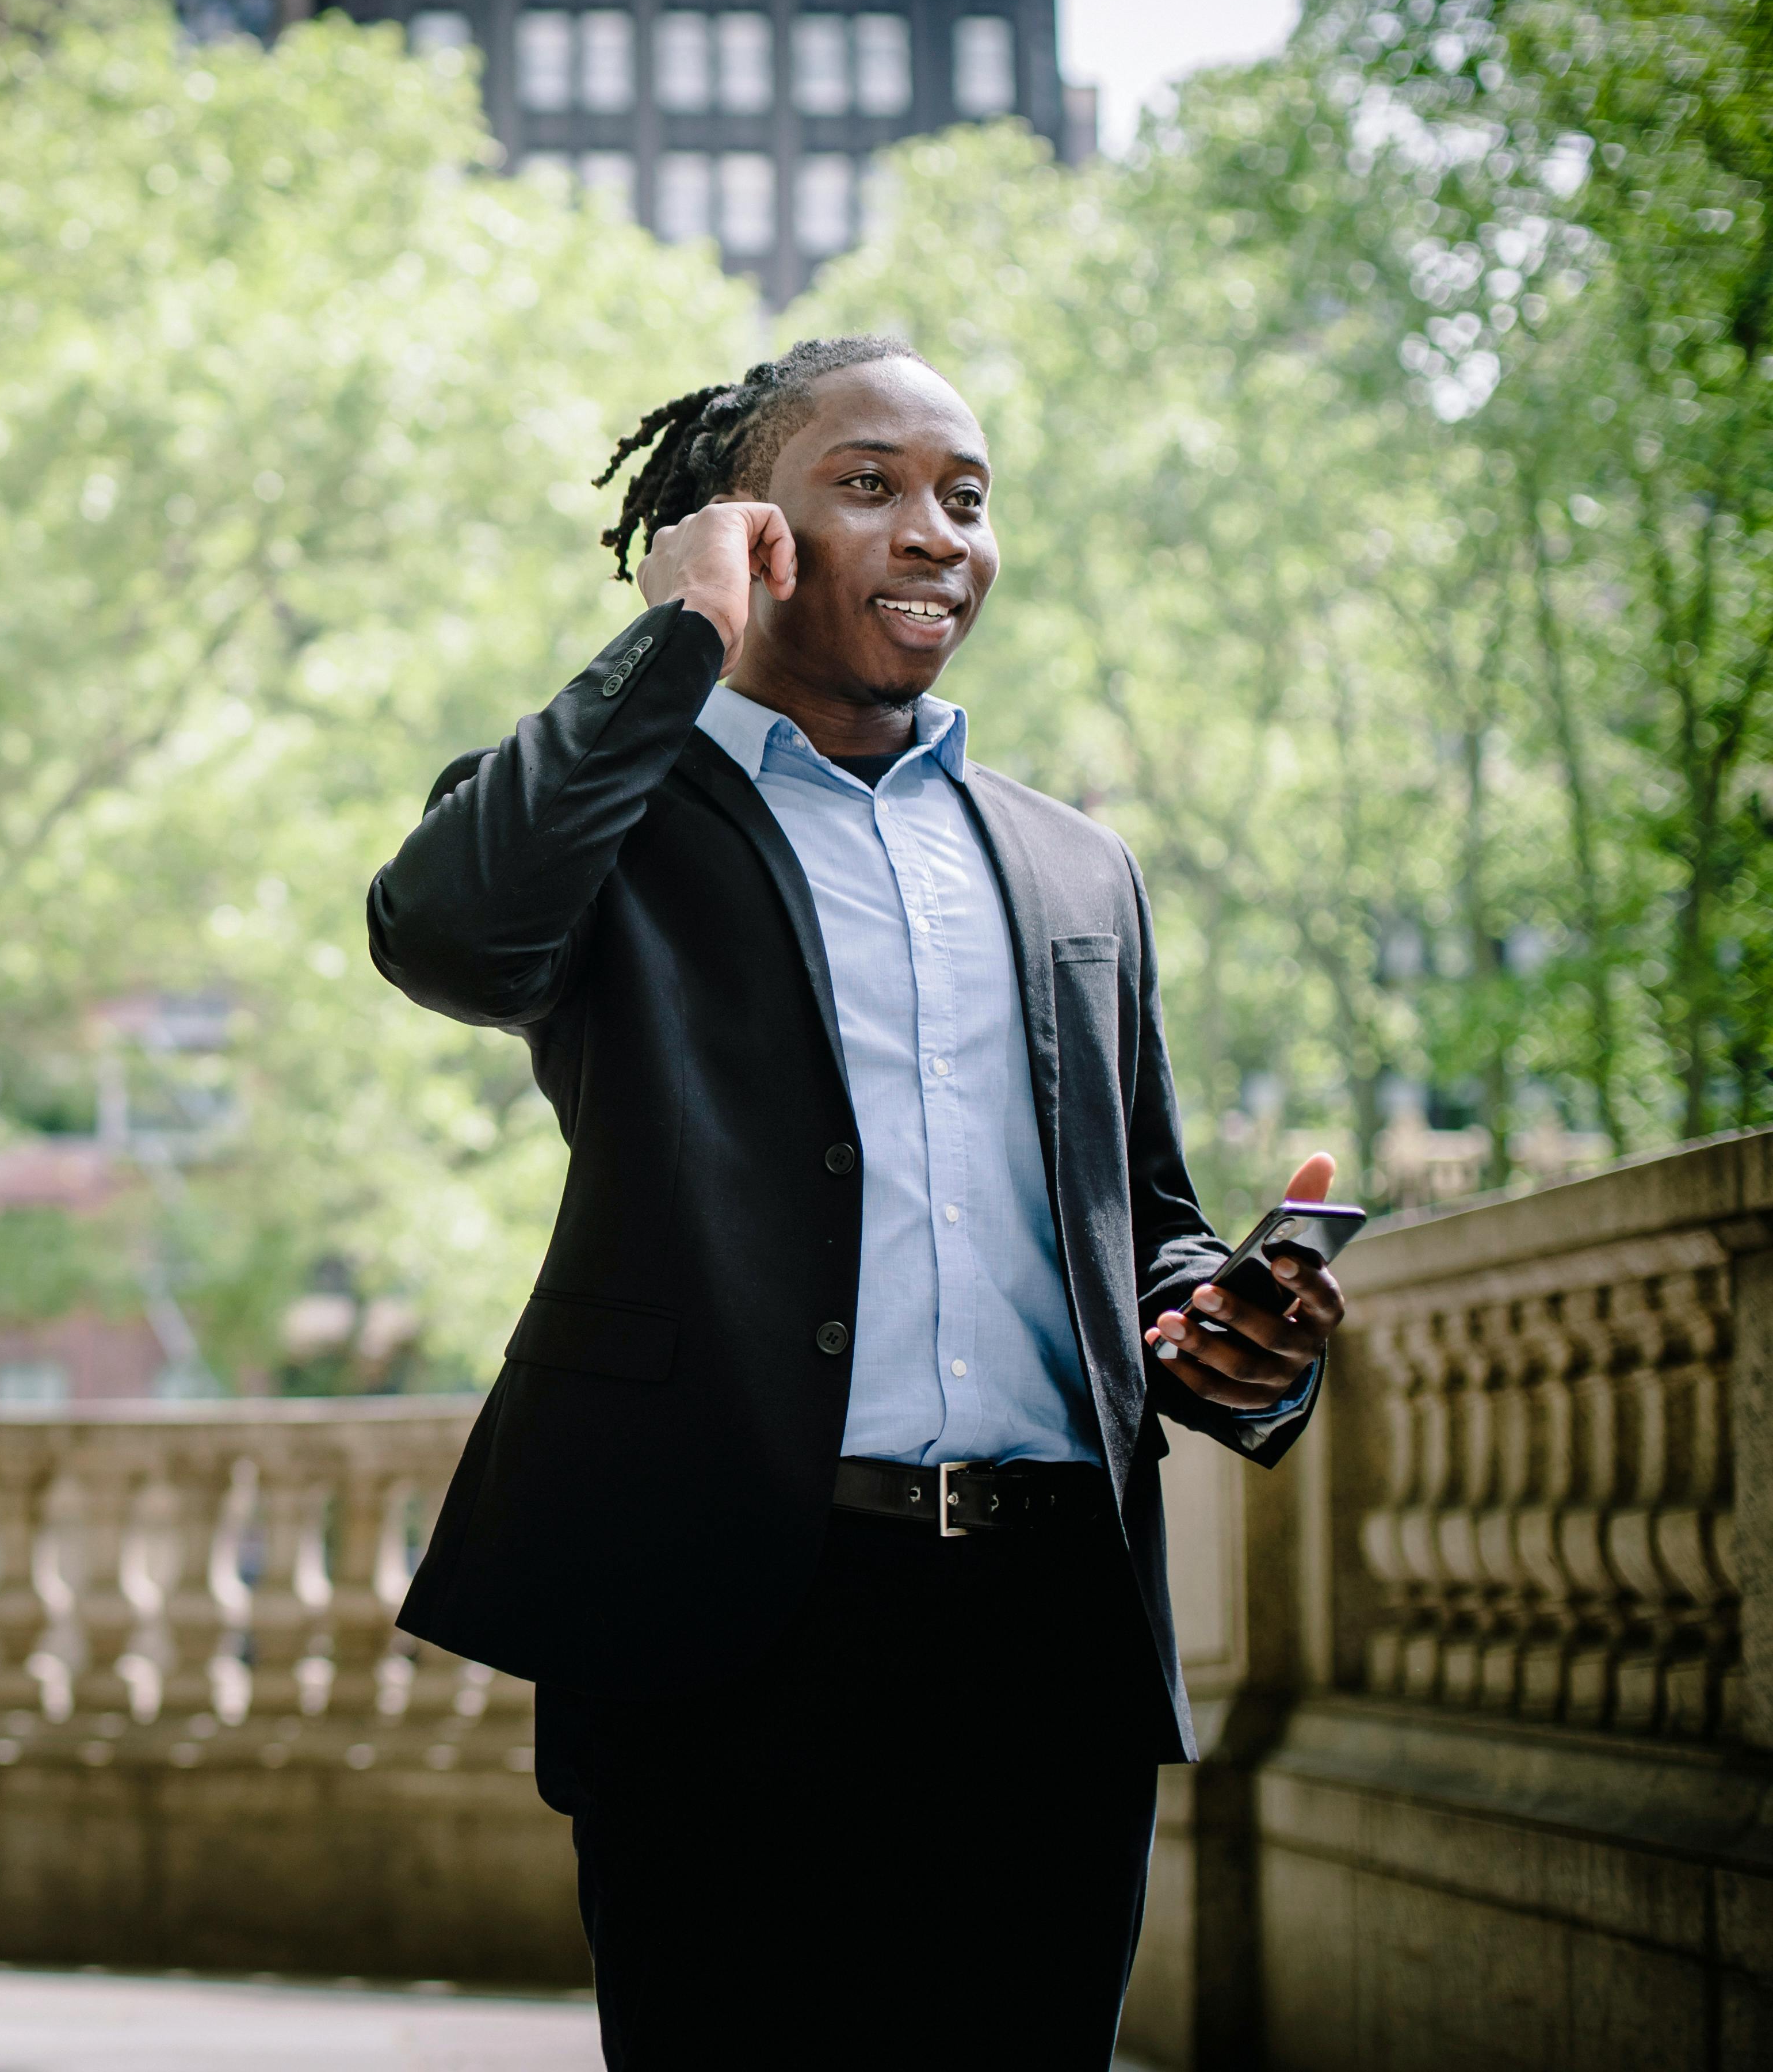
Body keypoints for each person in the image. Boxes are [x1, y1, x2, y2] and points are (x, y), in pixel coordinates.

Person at [364, 337, 1347, 2067]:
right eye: (872, 485)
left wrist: (1225, 1326)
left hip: (1049, 1636)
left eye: (967, 498)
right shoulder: (609, 816)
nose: (937, 534)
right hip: (730, 1619)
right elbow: (448, 936)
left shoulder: (1072, 865)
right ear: (751, 532)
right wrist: (676, 642)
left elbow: (1144, 1220)